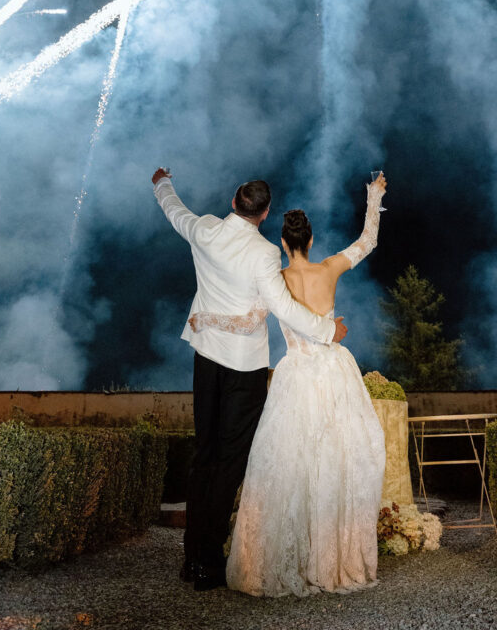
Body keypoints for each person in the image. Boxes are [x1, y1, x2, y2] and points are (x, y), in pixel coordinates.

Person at [188, 173, 387, 596]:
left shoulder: (273, 279)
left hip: (294, 376)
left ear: (282, 242)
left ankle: (285, 554)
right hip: (334, 374)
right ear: (310, 241)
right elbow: (368, 241)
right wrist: (375, 197)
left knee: (289, 464)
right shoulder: (330, 268)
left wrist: (205, 319)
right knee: (337, 459)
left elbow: (248, 318)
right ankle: (332, 553)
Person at [151, 169, 348, 592]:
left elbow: (174, 210)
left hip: (205, 360)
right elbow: (283, 307)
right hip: (243, 369)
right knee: (229, 462)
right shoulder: (264, 254)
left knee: (204, 455)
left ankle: (193, 557)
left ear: (234, 202)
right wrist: (327, 330)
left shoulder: (205, 229)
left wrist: (161, 183)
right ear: (265, 213)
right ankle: (207, 561)